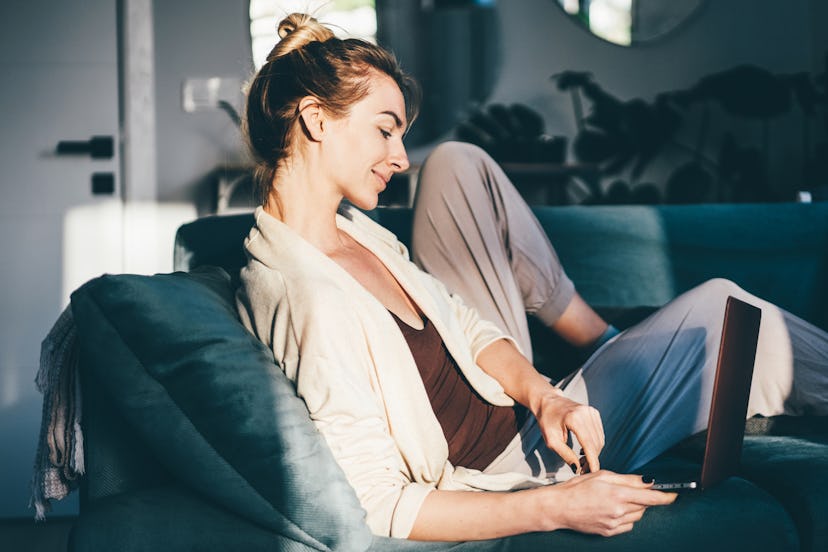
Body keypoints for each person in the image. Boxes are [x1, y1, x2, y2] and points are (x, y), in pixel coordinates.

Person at [236, 13, 828, 542]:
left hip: (529, 417)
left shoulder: (358, 233)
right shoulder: (304, 293)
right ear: (316, 120)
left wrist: (545, 395)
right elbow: (382, 506)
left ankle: (607, 347)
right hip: (511, 468)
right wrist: (556, 507)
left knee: (457, 162)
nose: (399, 156)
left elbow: (466, 330)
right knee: (724, 312)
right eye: (385, 129)